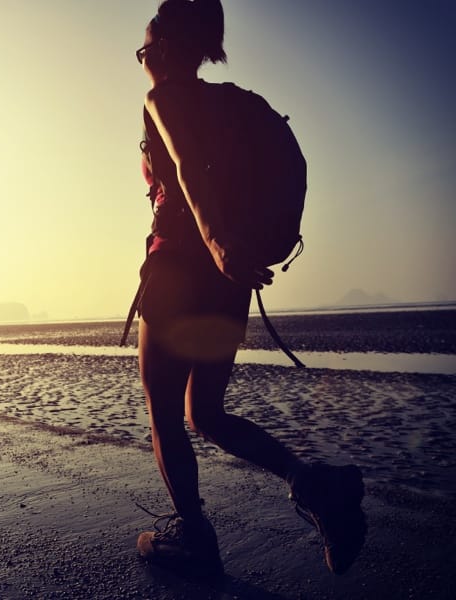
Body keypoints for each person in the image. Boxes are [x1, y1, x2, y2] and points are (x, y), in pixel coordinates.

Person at [133, 0, 366, 576]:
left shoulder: (163, 96)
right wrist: (229, 252)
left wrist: (211, 240)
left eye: (143, 50)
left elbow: (186, 168)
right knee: (205, 413)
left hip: (182, 270)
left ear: (163, 47)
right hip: (229, 279)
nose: (141, 61)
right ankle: (312, 485)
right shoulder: (237, 105)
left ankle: (194, 537)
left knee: (164, 411)